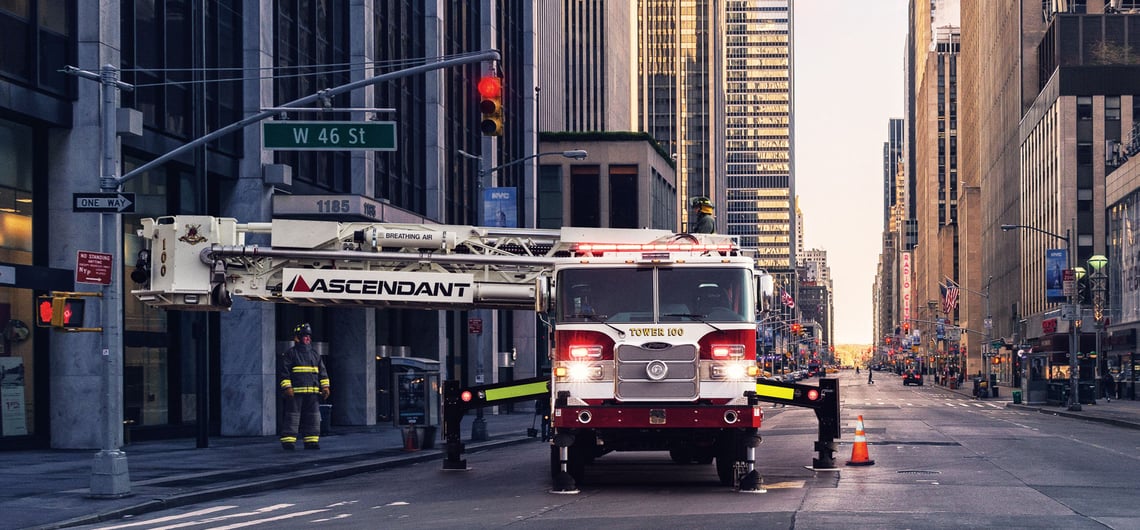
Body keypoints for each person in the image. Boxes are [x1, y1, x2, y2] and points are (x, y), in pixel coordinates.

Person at [278, 322, 330, 450]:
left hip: (312, 393)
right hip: (296, 393)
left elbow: (322, 372)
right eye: (304, 336)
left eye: (309, 336)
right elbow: (284, 372)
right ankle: (288, 441)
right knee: (292, 416)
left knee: (313, 417)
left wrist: (325, 387)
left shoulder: (314, 354)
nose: (308, 338)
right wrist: (287, 387)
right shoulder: (291, 353)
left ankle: (311, 441)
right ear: (297, 338)